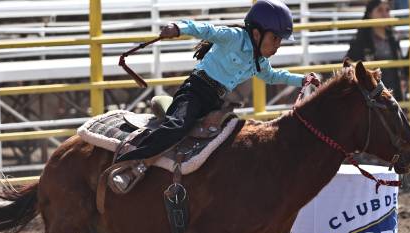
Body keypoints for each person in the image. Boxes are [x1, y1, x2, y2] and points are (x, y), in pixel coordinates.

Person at [116, 0, 320, 162]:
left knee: (231, 140)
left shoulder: (260, 61)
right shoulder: (233, 37)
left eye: (280, 40)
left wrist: (302, 80)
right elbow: (206, 29)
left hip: (215, 102)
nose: (278, 45)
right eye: (275, 38)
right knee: (177, 127)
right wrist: (178, 27)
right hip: (194, 92)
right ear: (257, 33)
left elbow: (273, 76)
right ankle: (130, 159)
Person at [345, 0, 405, 101]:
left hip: (393, 95)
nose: (385, 14)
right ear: (369, 14)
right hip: (371, 98)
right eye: (380, 10)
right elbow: (349, 65)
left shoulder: (393, 38)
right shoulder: (360, 41)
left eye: (387, 10)